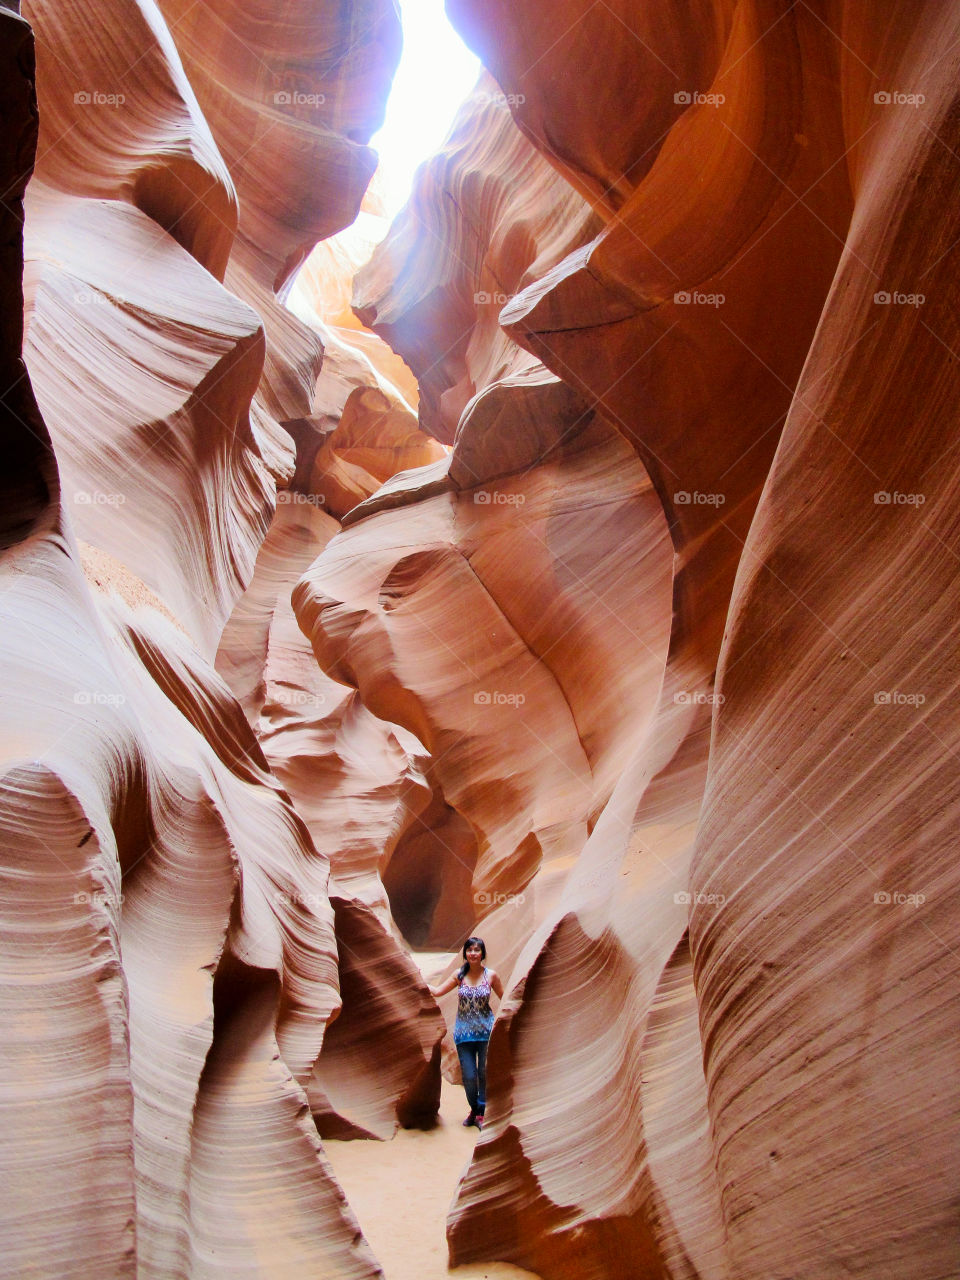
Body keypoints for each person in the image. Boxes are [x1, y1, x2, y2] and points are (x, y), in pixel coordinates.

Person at [429, 936, 503, 1130]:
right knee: (469, 1076)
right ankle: (475, 1109)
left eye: (477, 950)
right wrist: (415, 978)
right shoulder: (459, 975)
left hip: (485, 1032)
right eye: (469, 950)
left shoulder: (491, 976)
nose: (473, 953)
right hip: (463, 1034)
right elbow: (437, 992)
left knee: (483, 1073)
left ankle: (480, 1114)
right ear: (465, 954)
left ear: (482, 954)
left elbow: (505, 998)